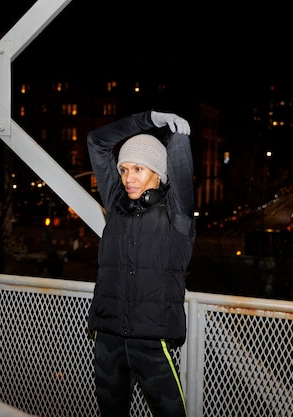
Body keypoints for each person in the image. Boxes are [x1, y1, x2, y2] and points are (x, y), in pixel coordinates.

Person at [86, 110, 195, 417]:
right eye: (123, 169)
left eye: (138, 169)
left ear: (158, 173)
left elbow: (181, 167)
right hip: (108, 339)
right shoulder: (116, 204)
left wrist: (175, 135)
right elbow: (96, 142)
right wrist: (148, 119)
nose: (127, 178)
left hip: (151, 339)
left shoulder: (178, 216)